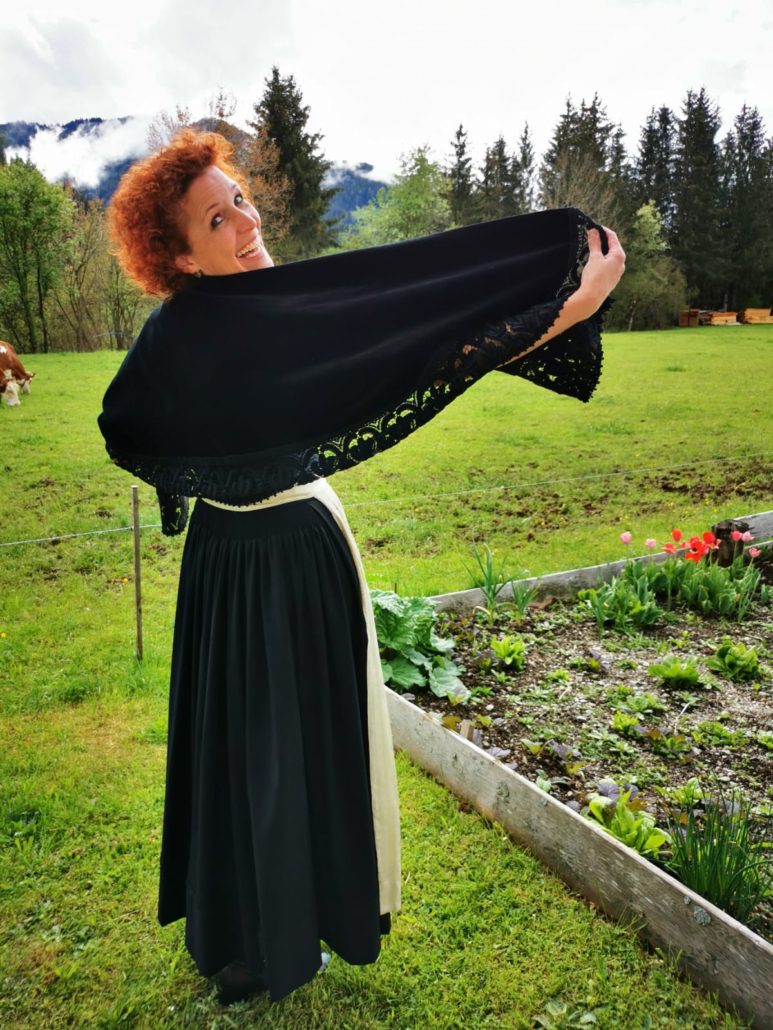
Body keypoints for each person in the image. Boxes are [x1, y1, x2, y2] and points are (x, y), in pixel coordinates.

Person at [99, 129, 624, 1008]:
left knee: (248, 747)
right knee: (283, 749)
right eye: (216, 219)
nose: (245, 222)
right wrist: (573, 304)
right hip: (283, 559)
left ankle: (243, 937)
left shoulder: (186, 329)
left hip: (222, 561)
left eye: (240, 200)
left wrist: (197, 479)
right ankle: (275, 939)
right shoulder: (254, 322)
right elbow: (437, 350)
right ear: (178, 255)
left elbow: (419, 319)